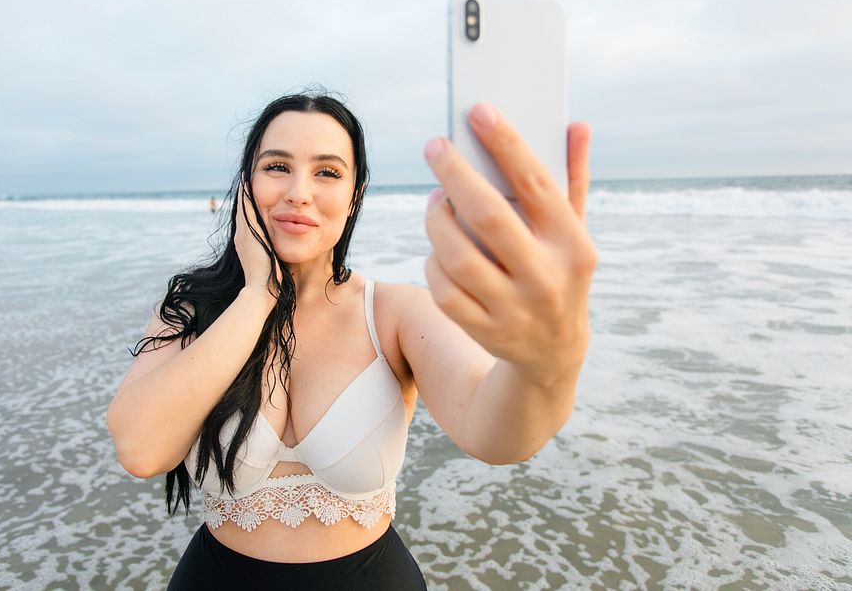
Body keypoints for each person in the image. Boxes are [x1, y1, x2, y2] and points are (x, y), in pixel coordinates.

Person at [106, 91, 596, 589]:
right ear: (246, 182)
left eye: (327, 172)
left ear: (355, 194)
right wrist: (257, 296)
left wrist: (545, 362)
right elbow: (140, 449)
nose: (299, 192)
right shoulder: (193, 309)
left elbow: (496, 434)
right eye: (277, 166)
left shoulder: (393, 312)